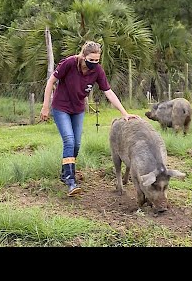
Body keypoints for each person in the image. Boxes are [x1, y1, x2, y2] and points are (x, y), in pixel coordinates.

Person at [40, 41, 140, 197]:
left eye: (97, 60)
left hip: (78, 109)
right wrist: (46, 106)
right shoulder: (70, 63)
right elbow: (51, 81)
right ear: (83, 55)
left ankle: (65, 172)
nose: (94, 63)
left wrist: (124, 113)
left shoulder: (98, 71)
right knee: (69, 140)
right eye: (91, 60)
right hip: (61, 107)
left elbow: (108, 92)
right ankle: (70, 181)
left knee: (76, 144)